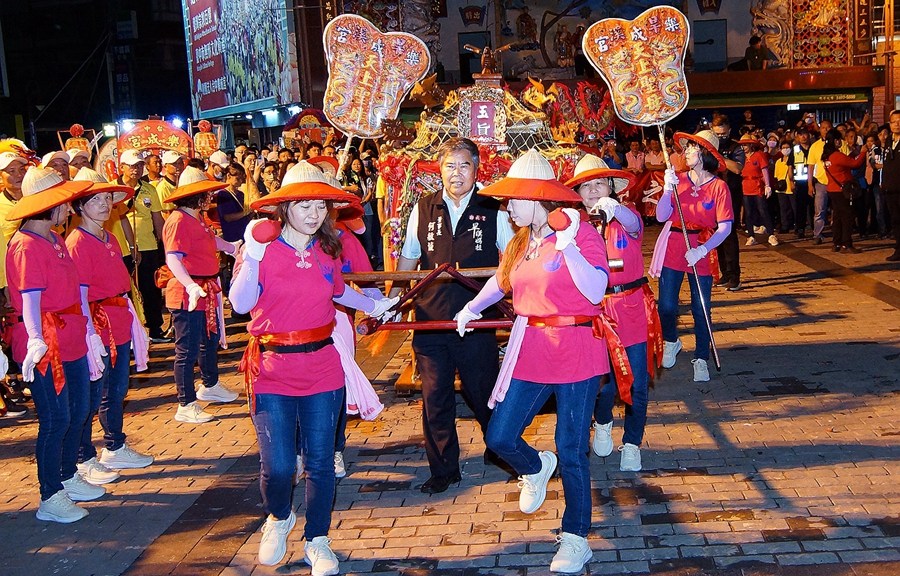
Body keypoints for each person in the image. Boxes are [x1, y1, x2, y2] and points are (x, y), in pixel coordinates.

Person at [229, 162, 395, 570]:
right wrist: (252, 255)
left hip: (323, 366)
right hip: (272, 369)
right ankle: (278, 517)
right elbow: (241, 303)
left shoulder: (327, 249)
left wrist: (374, 305)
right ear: (284, 207)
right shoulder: (261, 248)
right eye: (304, 205)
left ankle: (317, 538)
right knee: (279, 466)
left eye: (321, 205)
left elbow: (338, 291)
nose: (314, 213)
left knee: (320, 463)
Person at [457, 149, 609, 574]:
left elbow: (596, 290)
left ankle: (576, 537)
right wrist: (471, 308)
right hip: (532, 348)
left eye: (513, 200)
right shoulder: (523, 240)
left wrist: (568, 244)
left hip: (577, 348)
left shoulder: (582, 233)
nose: (507, 207)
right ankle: (537, 466)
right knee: (500, 436)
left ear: (535, 197)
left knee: (571, 448)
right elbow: (501, 281)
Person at [390, 137, 514, 494]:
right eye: (449, 166)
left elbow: (510, 257)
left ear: (476, 169)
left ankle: (499, 448)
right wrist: (394, 298)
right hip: (431, 317)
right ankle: (444, 469)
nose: (456, 173)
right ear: (440, 170)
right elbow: (409, 257)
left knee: (483, 391)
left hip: (476, 317)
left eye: (464, 165)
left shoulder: (493, 208)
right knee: (435, 397)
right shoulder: (423, 208)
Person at [5, 167, 102, 522]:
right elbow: (29, 300)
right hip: (47, 344)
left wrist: (88, 331)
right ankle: (50, 495)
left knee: (79, 409)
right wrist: (35, 339)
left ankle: (67, 474)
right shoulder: (26, 245)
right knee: (55, 418)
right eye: (65, 202)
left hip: (71, 335)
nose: (69, 208)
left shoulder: (54, 238)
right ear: (50, 205)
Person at [565, 154, 661, 473]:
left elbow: (634, 224)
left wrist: (615, 209)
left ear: (611, 187)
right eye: (586, 186)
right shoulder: (574, 227)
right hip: (594, 312)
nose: (593, 191)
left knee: (638, 382)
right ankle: (603, 421)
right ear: (578, 194)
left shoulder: (626, 216)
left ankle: (632, 443)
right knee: (601, 384)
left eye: (599, 184)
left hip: (631, 307)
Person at [67, 169, 154, 484]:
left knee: (117, 388)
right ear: (80, 206)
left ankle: (114, 445)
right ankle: (83, 457)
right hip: (98, 322)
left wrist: (135, 322)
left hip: (119, 319)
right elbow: (80, 294)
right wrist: (90, 333)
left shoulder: (110, 237)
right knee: (94, 394)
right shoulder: (78, 242)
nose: (104, 205)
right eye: (96, 200)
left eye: (107, 198)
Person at [161, 167, 242, 423]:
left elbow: (209, 241)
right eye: (206, 193)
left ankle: (210, 384)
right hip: (189, 293)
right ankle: (185, 403)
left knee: (209, 339)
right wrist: (189, 285)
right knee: (187, 349)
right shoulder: (178, 220)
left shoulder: (196, 218)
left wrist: (232, 248)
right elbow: (173, 258)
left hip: (205, 289)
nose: (210, 197)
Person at [653, 130, 734, 382]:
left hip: (702, 246)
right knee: (666, 306)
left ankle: (701, 357)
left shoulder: (719, 187)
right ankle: (671, 340)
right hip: (674, 244)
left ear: (705, 153)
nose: (685, 152)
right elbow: (661, 216)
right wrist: (667, 190)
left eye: (691, 148)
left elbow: (725, 227)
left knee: (701, 307)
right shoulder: (677, 179)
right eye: (686, 148)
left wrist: (702, 250)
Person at [117, 150, 169, 343]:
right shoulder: (113, 189)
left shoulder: (149, 189)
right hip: (122, 247)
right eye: (132, 166)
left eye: (139, 165)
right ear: (121, 167)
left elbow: (157, 218)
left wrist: (165, 243)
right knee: (125, 290)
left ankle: (155, 328)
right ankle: (130, 333)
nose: (136, 169)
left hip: (148, 246)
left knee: (151, 289)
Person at [711, 116, 745, 290]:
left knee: (729, 235)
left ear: (729, 131)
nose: (720, 137)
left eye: (723, 134)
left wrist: (718, 157)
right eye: (717, 134)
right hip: (713, 196)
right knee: (717, 235)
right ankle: (724, 272)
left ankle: (734, 276)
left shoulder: (735, 147)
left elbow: (737, 168)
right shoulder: (710, 146)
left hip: (731, 195)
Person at [821, 129, 867, 253]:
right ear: (836, 141)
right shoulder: (837, 155)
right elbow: (855, 164)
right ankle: (847, 244)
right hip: (842, 190)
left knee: (837, 217)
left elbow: (845, 161)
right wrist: (863, 153)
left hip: (832, 189)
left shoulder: (827, 156)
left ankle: (836, 243)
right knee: (847, 216)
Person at [737, 134, 778, 246]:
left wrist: (767, 185)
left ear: (751, 145)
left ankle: (771, 234)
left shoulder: (759, 155)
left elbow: (764, 170)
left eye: (746, 145)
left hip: (757, 186)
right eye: (742, 145)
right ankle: (751, 236)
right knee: (748, 212)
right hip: (746, 187)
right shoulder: (741, 157)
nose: (744, 147)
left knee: (763, 210)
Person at [806, 119, 833, 244]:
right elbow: (810, 166)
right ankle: (817, 234)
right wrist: (810, 184)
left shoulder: (839, 143)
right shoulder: (815, 146)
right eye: (823, 128)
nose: (826, 130)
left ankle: (838, 233)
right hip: (821, 183)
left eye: (828, 127)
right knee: (819, 209)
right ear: (820, 130)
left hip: (837, 183)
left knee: (838, 209)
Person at [882, 110, 900, 261]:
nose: (897, 124)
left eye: (899, 121)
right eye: (894, 122)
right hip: (890, 188)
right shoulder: (888, 141)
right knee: (895, 220)